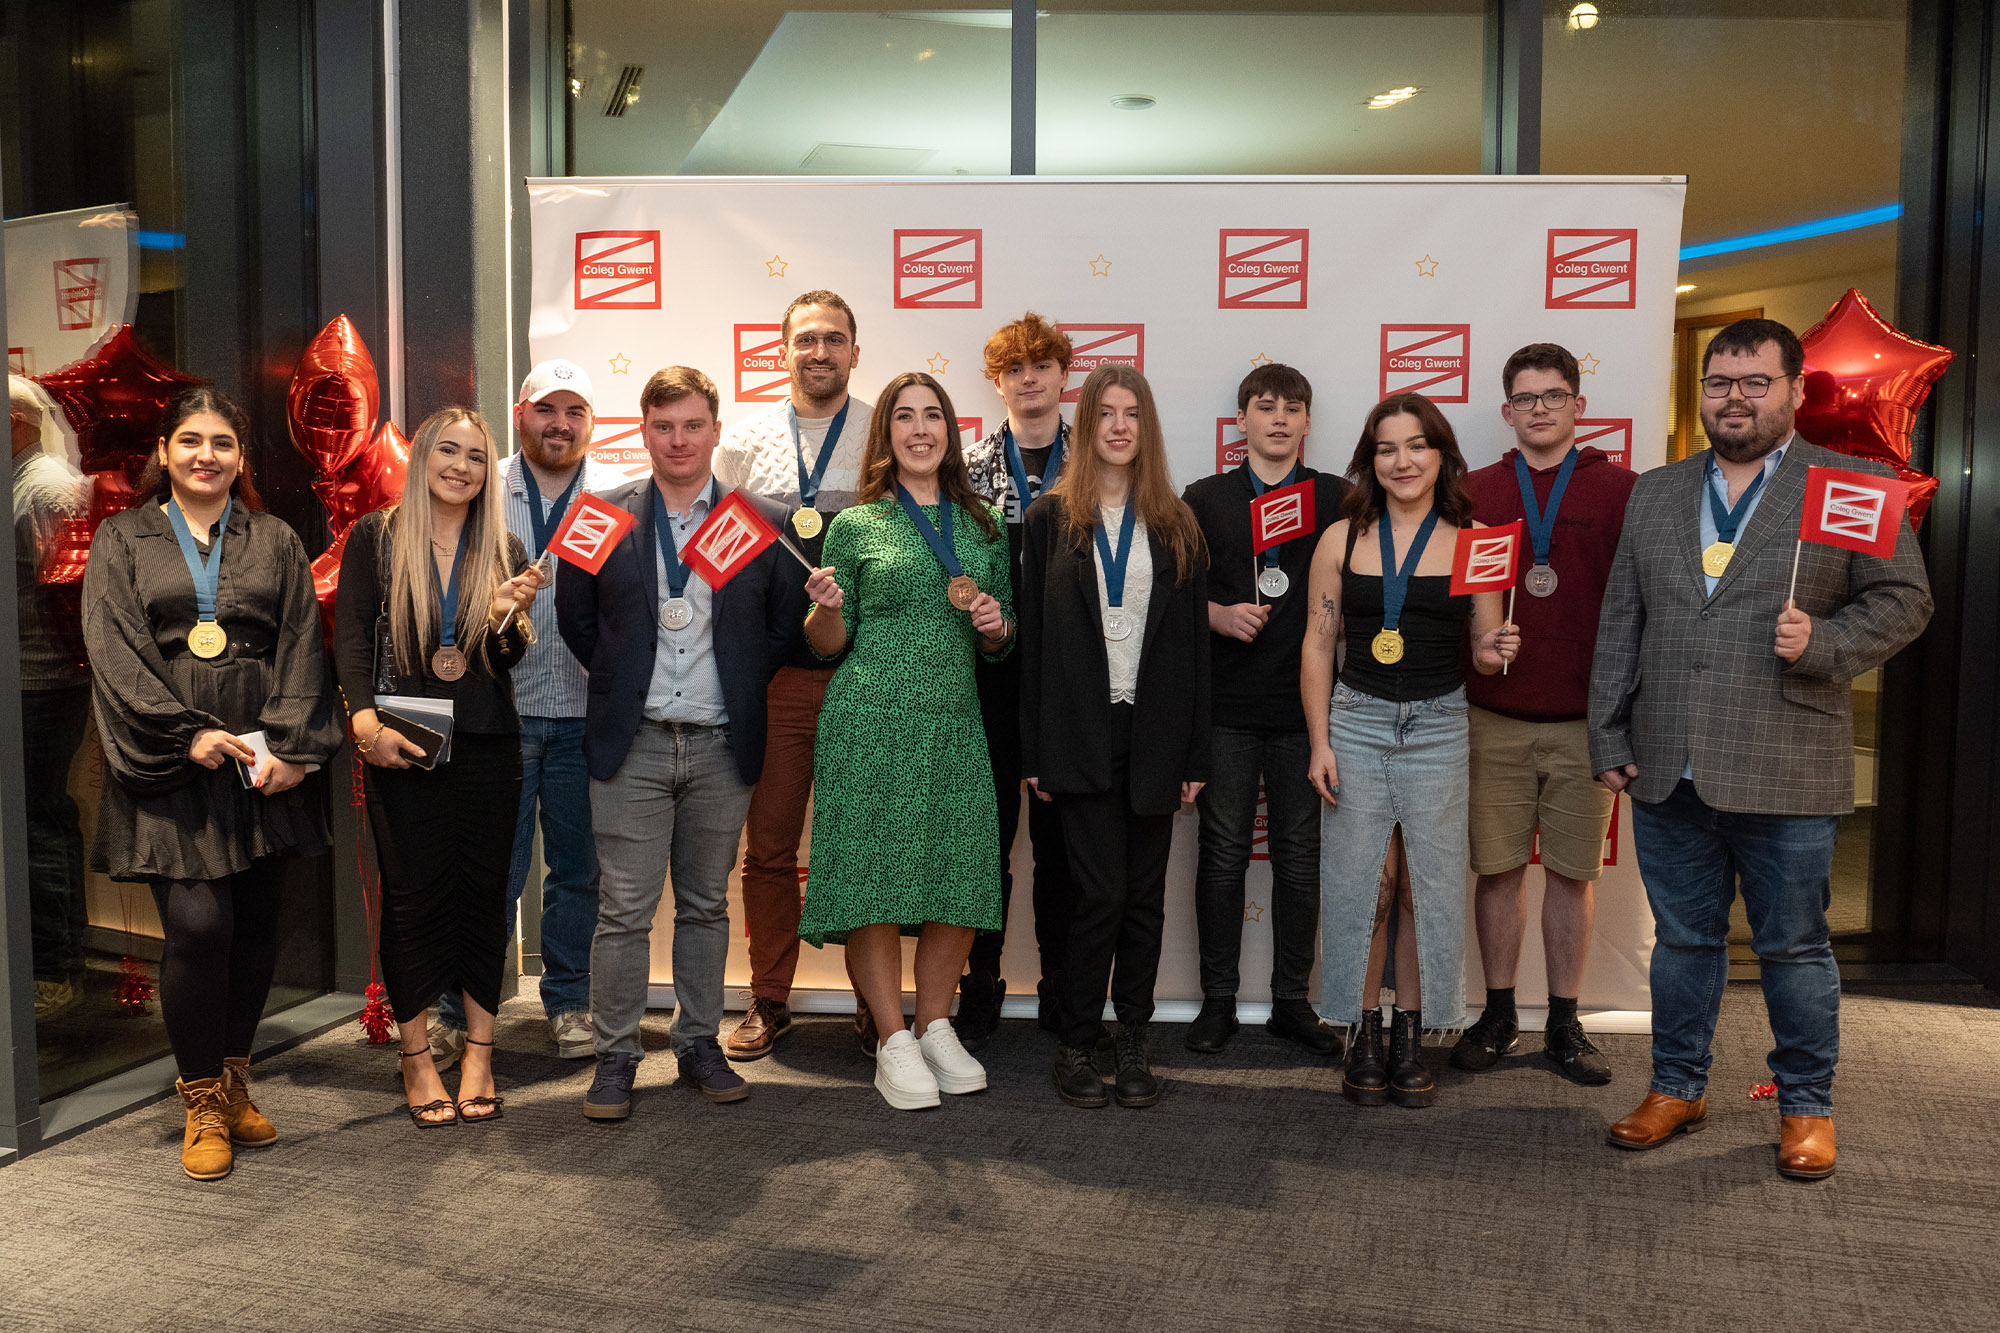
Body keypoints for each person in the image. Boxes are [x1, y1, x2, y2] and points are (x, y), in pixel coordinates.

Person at [1590, 318, 1931, 1179]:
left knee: (1794, 947)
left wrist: (1820, 640)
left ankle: (1806, 1105)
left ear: (1793, 389)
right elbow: (1622, 618)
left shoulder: (1847, 484)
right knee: (1684, 942)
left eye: (1754, 383)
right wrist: (1607, 728)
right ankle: (1677, 1086)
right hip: (1669, 761)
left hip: (1785, 760)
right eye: (1719, 382)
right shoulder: (1658, 491)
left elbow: (1902, 600)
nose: (1734, 398)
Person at [82, 385, 343, 1180]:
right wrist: (185, 733)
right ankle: (198, 1098)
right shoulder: (122, 539)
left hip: (260, 758)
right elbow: (114, 648)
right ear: (164, 452)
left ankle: (235, 1081)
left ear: (240, 457)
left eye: (222, 443)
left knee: (257, 923)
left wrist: (295, 748)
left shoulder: (275, 539)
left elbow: (302, 640)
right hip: (173, 758)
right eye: (190, 440)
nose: (206, 455)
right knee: (199, 926)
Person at [556, 367, 798, 1118]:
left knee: (704, 905)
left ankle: (699, 1042)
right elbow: (577, 622)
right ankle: (616, 1055)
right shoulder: (601, 512)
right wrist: (632, 680)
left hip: (723, 746)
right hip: (635, 743)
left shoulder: (761, 516)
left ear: (716, 431)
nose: (679, 440)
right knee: (624, 909)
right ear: (643, 431)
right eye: (664, 426)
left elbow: (781, 627)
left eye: (693, 425)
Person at [798, 371, 1013, 1110]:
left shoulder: (983, 523)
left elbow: (1002, 638)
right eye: (904, 417)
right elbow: (829, 643)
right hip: (869, 721)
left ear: (950, 430)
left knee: (958, 872)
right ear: (885, 432)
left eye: (933, 416)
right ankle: (892, 1037)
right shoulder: (857, 524)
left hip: (954, 722)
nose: (920, 429)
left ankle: (936, 1024)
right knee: (874, 880)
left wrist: (995, 629)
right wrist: (823, 608)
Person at [1301, 393, 1520, 1109]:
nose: (1403, 460)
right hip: (1357, 720)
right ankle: (1362, 1030)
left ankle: (1411, 1034)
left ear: (1441, 454)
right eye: (1387, 448)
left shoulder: (1477, 537)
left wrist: (1496, 648)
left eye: (1417, 445)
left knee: (1427, 887)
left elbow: (1487, 656)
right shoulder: (1340, 538)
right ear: (1371, 460)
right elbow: (1318, 643)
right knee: (1371, 886)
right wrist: (1319, 742)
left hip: (1438, 724)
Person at [334, 407, 543, 1128]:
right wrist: (363, 725)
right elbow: (353, 636)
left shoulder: (504, 545)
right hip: (404, 738)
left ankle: (481, 1053)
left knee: (484, 896)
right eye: (448, 451)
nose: (461, 466)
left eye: (477, 457)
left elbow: (503, 659)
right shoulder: (377, 537)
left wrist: (509, 615)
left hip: (489, 741)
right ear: (422, 456)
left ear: (490, 472)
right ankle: (418, 1056)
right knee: (413, 898)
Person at [1020, 364, 1211, 1110]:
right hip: (1077, 732)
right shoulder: (1048, 519)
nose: (1121, 426)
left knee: (1143, 899)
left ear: (1148, 426)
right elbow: (1034, 646)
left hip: (1156, 732)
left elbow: (1195, 649)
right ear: (1087, 425)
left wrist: (1195, 753)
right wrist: (1036, 751)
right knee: (1095, 893)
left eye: (1134, 413)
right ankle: (1076, 1039)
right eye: (1107, 413)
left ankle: (1133, 1034)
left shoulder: (1175, 521)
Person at [1452, 344, 1637, 1085]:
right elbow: (1456, 597)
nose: (1539, 408)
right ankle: (1499, 1011)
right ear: (1506, 410)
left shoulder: (1623, 490)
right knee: (1496, 870)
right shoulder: (1472, 491)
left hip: (1584, 721)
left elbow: (1640, 608)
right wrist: (1482, 638)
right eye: (1525, 397)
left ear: (1577, 406)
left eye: (1553, 395)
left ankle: (1564, 1020)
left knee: (1570, 873)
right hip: (1491, 713)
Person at [431, 359, 615, 1067]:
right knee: (486, 870)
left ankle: (569, 1002)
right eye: (547, 409)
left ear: (591, 422)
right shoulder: (480, 483)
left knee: (577, 873)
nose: (560, 424)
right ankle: (456, 1007)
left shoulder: (613, 494)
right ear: (521, 412)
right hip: (497, 713)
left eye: (574, 411)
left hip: (582, 714)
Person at [713, 289, 875, 1059]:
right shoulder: (742, 443)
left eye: (834, 340)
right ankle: (767, 998)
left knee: (863, 840)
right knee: (771, 846)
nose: (820, 352)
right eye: (806, 339)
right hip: (777, 678)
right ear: (782, 350)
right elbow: (716, 558)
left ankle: (876, 1003)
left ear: (854, 351)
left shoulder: (884, 431)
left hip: (868, 676)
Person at [1180, 363, 1346, 1057]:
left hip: (1307, 712)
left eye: (1292, 408)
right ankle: (1217, 1000)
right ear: (1241, 420)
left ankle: (1290, 1001)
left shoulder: (1340, 497)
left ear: (1308, 423)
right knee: (1219, 857)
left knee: (1299, 860)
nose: (1278, 418)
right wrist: (1215, 614)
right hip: (1225, 708)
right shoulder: (1205, 497)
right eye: (1264, 406)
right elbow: (1172, 595)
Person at [959, 312, 1083, 1048]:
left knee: (1065, 847)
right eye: (1015, 367)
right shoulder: (967, 468)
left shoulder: (1099, 462)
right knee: (988, 842)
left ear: (1065, 375)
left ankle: (1064, 987)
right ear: (997, 380)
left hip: (1072, 685)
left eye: (1042, 365)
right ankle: (981, 980)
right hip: (989, 679)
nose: (1029, 378)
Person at [12, 375, 91, 1022]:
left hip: (43, 683)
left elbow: (70, 592)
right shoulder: (23, 480)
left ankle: (56, 968)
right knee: (35, 820)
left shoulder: (44, 487)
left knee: (39, 820)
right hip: (27, 680)